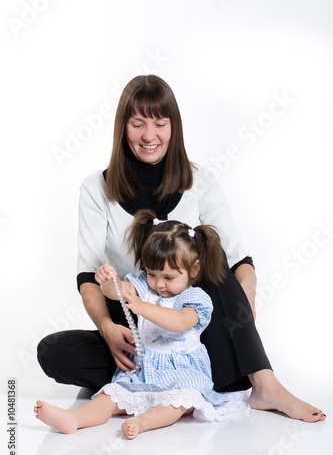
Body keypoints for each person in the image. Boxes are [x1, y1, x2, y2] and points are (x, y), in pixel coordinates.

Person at [37, 74, 325, 423]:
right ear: (122, 127)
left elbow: (240, 263)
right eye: (138, 124)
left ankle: (264, 384)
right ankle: (162, 383)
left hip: (193, 334)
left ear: (173, 127)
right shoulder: (96, 189)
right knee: (53, 352)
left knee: (214, 265)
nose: (149, 136)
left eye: (160, 123)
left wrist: (244, 304)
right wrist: (106, 329)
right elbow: (88, 277)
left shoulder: (199, 181)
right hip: (138, 333)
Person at [34, 211, 249, 438]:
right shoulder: (145, 288)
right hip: (145, 367)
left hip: (183, 370)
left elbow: (180, 322)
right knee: (113, 395)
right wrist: (109, 281)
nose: (158, 283)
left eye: (168, 277)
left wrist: (142, 307)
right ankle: (73, 419)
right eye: (151, 273)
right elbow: (119, 292)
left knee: (179, 401)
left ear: (193, 270)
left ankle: (144, 422)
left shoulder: (195, 298)